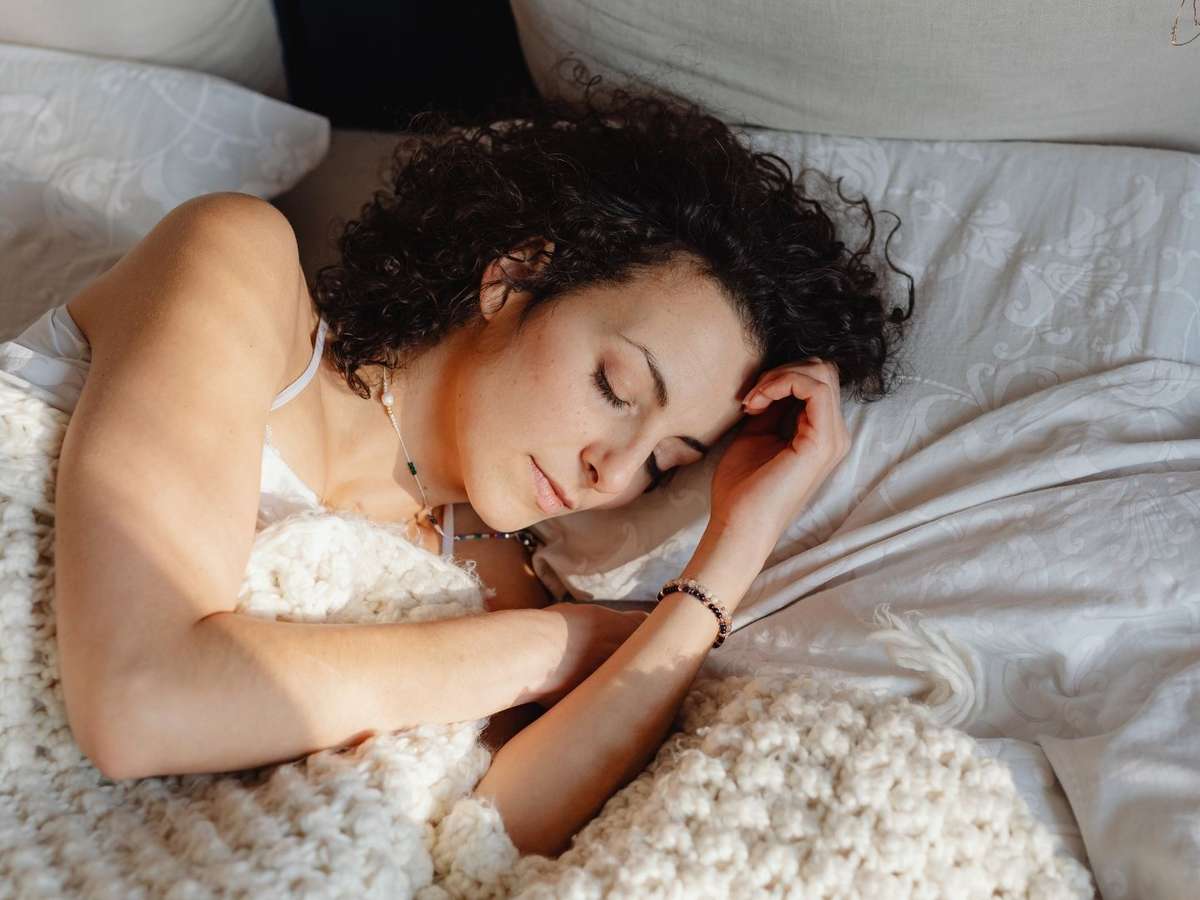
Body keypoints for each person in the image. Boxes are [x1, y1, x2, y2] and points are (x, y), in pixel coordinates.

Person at [0, 62, 912, 858]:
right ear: (513, 277)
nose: (614, 473)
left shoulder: (493, 572)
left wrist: (733, 550)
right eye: (615, 386)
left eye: (667, 463)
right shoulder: (240, 264)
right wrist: (563, 646)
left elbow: (496, 840)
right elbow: (139, 704)